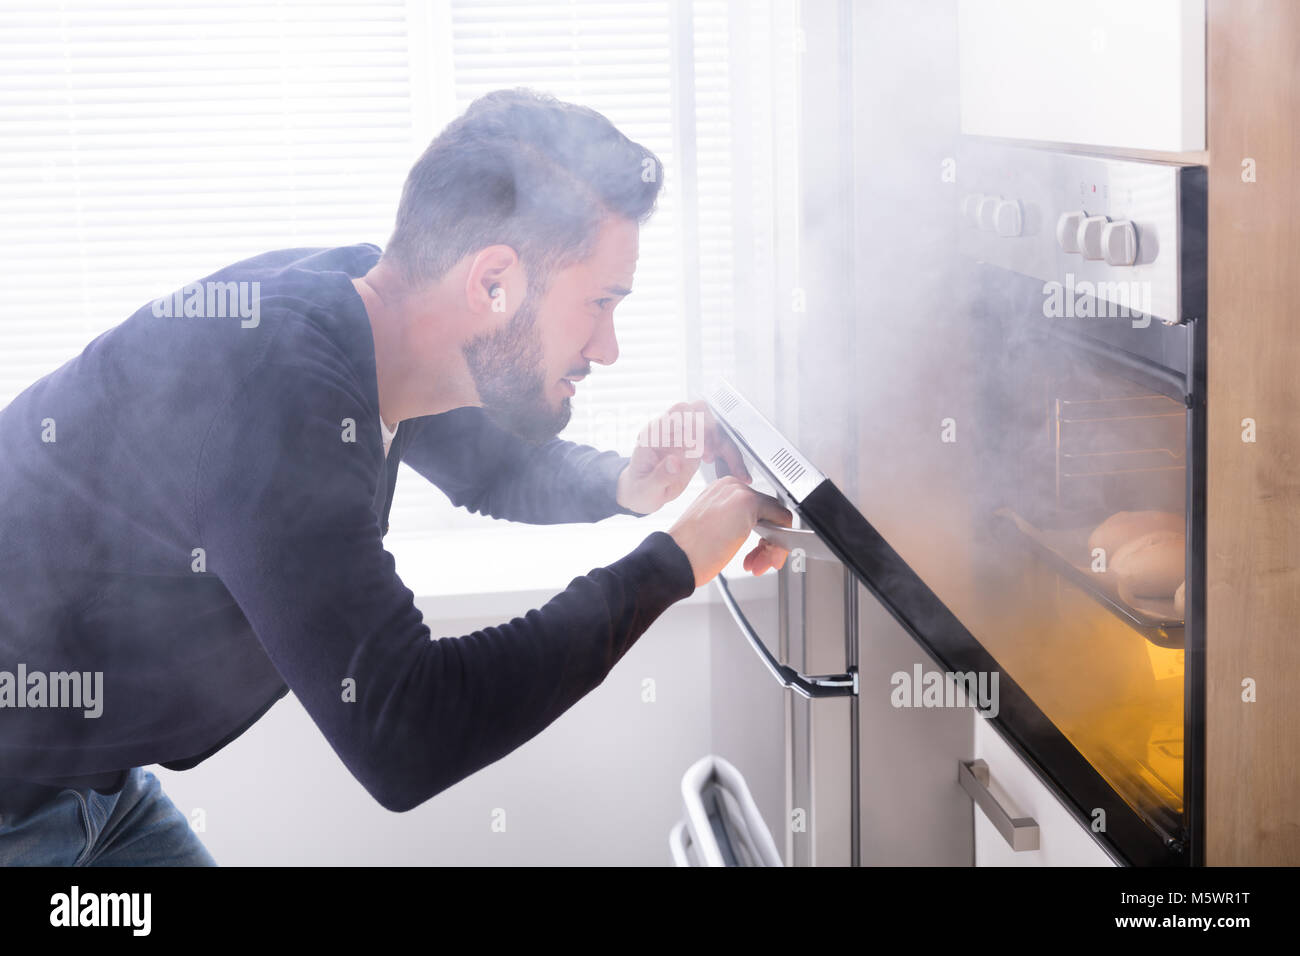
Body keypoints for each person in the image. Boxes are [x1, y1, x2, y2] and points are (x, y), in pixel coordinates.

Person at [0, 88, 791, 865]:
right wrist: (673, 563)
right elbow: (408, 730)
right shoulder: (276, 391)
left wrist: (628, 484)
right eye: (600, 303)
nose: (609, 347)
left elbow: (489, 464)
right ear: (493, 282)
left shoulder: (369, 314)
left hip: (81, 785)